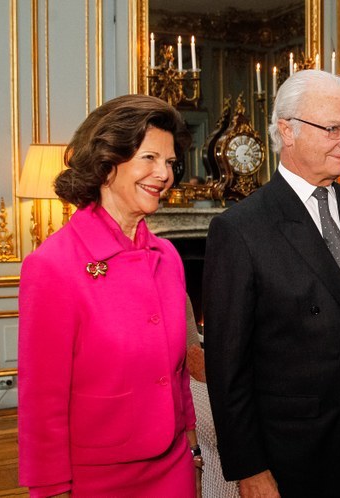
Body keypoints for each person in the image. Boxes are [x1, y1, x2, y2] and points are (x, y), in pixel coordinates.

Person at [203, 69, 340, 497]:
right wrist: (249, 468)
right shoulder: (240, 228)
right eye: (334, 129)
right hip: (291, 455)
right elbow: (228, 368)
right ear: (287, 131)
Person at [18, 94, 203, 497]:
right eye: (149, 158)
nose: (164, 174)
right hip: (96, 478)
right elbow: (41, 400)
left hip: (174, 467)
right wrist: (51, 489)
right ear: (107, 162)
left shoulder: (167, 256)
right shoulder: (51, 265)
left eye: (170, 162)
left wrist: (190, 437)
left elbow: (178, 371)